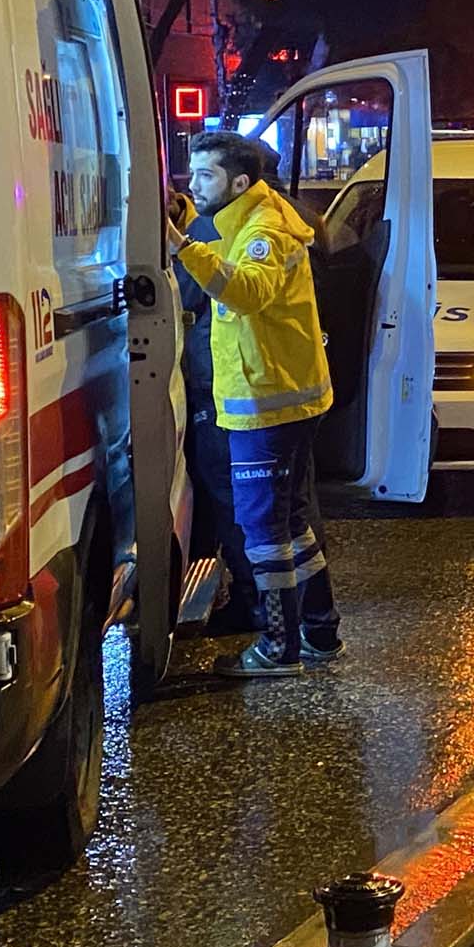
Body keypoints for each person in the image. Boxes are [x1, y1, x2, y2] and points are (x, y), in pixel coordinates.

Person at [168, 131, 344, 677]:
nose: (192, 184)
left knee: (264, 530)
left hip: (265, 403)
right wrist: (185, 219)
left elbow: (246, 292)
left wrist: (179, 245)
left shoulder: (263, 230)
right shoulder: (248, 217)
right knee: (290, 525)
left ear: (239, 183)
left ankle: (277, 647)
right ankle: (320, 631)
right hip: (277, 397)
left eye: (205, 176)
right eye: (191, 173)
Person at [170, 192, 262, 634]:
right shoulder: (240, 223)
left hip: (214, 384)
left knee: (228, 497)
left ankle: (253, 605)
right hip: (232, 382)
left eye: (206, 173)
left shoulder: (204, 233)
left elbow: (177, 298)